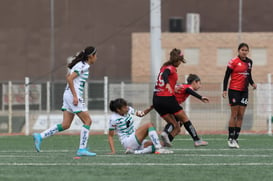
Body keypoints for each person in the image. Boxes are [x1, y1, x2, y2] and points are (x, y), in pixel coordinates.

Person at [33, 46, 98, 156]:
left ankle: (40, 136)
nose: (96, 58)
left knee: (65, 124)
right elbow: (69, 78)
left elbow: (68, 76)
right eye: (96, 55)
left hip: (67, 95)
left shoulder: (80, 64)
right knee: (88, 121)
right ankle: (82, 149)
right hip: (73, 96)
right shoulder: (83, 66)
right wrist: (75, 96)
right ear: (91, 56)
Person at [153, 48, 206, 147]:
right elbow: (166, 76)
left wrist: (172, 87)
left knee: (176, 126)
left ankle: (162, 142)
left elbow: (163, 78)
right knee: (184, 118)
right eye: (180, 61)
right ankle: (197, 140)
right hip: (167, 99)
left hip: (156, 99)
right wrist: (201, 97)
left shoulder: (163, 67)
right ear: (177, 60)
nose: (180, 63)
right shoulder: (170, 68)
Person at [108, 98, 173, 154]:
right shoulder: (113, 119)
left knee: (161, 143)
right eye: (124, 107)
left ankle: (135, 152)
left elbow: (141, 114)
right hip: (127, 141)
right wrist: (113, 151)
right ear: (118, 110)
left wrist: (151, 107)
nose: (127, 108)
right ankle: (159, 149)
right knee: (149, 125)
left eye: (126, 106)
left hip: (134, 138)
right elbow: (110, 136)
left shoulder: (128, 110)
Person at [222, 42, 257, 149]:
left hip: (244, 91)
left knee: (241, 115)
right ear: (238, 51)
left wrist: (252, 83)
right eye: (242, 50)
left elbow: (248, 75)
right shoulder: (233, 62)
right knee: (234, 114)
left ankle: (236, 138)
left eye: (246, 50)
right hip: (234, 90)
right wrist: (224, 90)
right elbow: (226, 76)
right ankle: (230, 138)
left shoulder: (250, 62)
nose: (244, 52)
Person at [162, 74, 209, 146]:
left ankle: (165, 140)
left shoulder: (183, 85)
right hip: (171, 104)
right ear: (194, 82)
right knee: (184, 120)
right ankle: (196, 140)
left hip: (165, 103)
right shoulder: (188, 87)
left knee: (178, 124)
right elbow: (189, 90)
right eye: (199, 83)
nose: (200, 86)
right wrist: (200, 97)